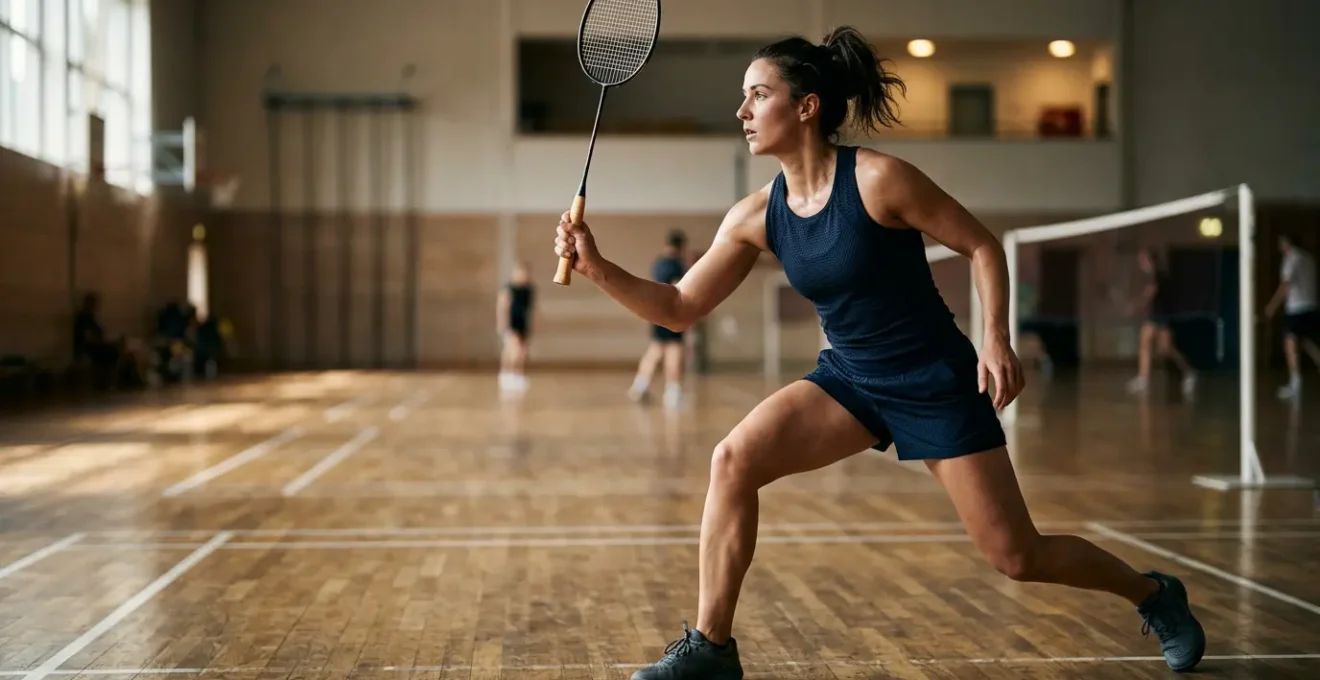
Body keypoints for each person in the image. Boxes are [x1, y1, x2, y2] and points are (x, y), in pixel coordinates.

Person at [553, 26, 1205, 678]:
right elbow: (678, 308)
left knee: (1017, 556)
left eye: (758, 95)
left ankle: (1153, 593)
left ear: (806, 107)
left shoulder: (879, 180)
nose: (742, 112)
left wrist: (997, 336)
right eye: (744, 98)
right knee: (733, 461)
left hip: (932, 379)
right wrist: (599, 266)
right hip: (849, 379)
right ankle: (710, 648)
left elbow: (982, 245)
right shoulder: (755, 215)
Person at [628, 230, 690, 407]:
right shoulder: (677, 265)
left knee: (656, 348)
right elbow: (681, 288)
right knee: (675, 350)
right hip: (671, 311)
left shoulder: (658, 263)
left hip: (656, 311)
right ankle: (673, 393)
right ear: (680, 247)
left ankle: (640, 385)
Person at [1126, 248, 1197, 397]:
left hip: (1161, 316)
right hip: (1157, 315)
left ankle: (1145, 379)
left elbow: (1150, 294)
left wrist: (1135, 306)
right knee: (1162, 348)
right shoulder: (1154, 276)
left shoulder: (1158, 275)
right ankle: (1187, 373)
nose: (1141, 263)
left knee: (1152, 345)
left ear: (1151, 261)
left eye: (1143, 260)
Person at [1264, 234, 1320, 400]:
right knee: (1306, 340)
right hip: (1311, 306)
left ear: (1286, 243)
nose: (1279, 247)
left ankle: (1295, 383)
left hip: (1296, 308)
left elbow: (1285, 285)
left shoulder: (1291, 258)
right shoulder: (1309, 258)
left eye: (1280, 243)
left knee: (1289, 343)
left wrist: (1272, 307)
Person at [496, 260, 535, 392]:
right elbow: (503, 307)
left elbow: (532, 308)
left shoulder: (529, 290)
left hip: (523, 322)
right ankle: (507, 374)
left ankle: (519, 375)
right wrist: (503, 323)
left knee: (523, 351)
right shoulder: (509, 289)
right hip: (512, 322)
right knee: (514, 350)